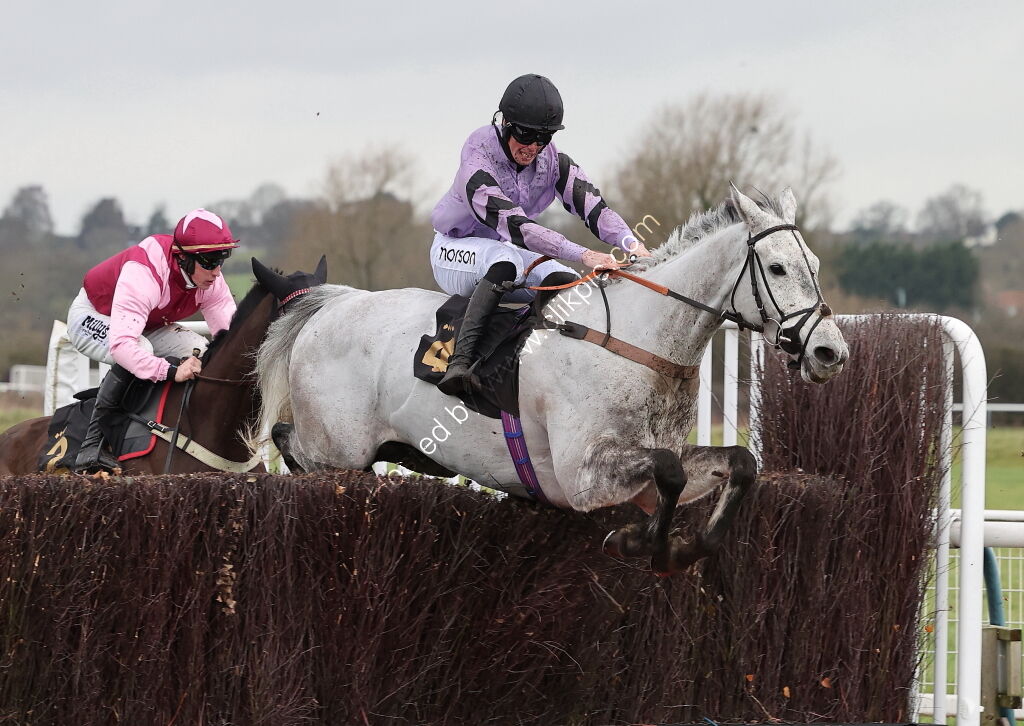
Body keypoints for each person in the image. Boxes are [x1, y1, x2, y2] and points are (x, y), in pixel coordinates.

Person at [430, 73, 652, 395]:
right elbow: (517, 228)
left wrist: (632, 243)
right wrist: (586, 254)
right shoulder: (477, 160)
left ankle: (535, 366)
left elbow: (593, 207)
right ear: (505, 123)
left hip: (501, 247)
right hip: (454, 248)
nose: (533, 147)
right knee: (506, 261)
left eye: (543, 137)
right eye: (527, 135)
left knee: (565, 280)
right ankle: (460, 364)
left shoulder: (553, 161)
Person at [65, 208, 239, 472]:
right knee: (140, 349)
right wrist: (169, 371)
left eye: (221, 260)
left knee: (202, 352)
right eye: (209, 260)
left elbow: (229, 339)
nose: (216, 271)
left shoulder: (210, 279)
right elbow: (122, 345)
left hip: (147, 324)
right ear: (184, 259)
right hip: (93, 316)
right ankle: (92, 444)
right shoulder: (144, 270)